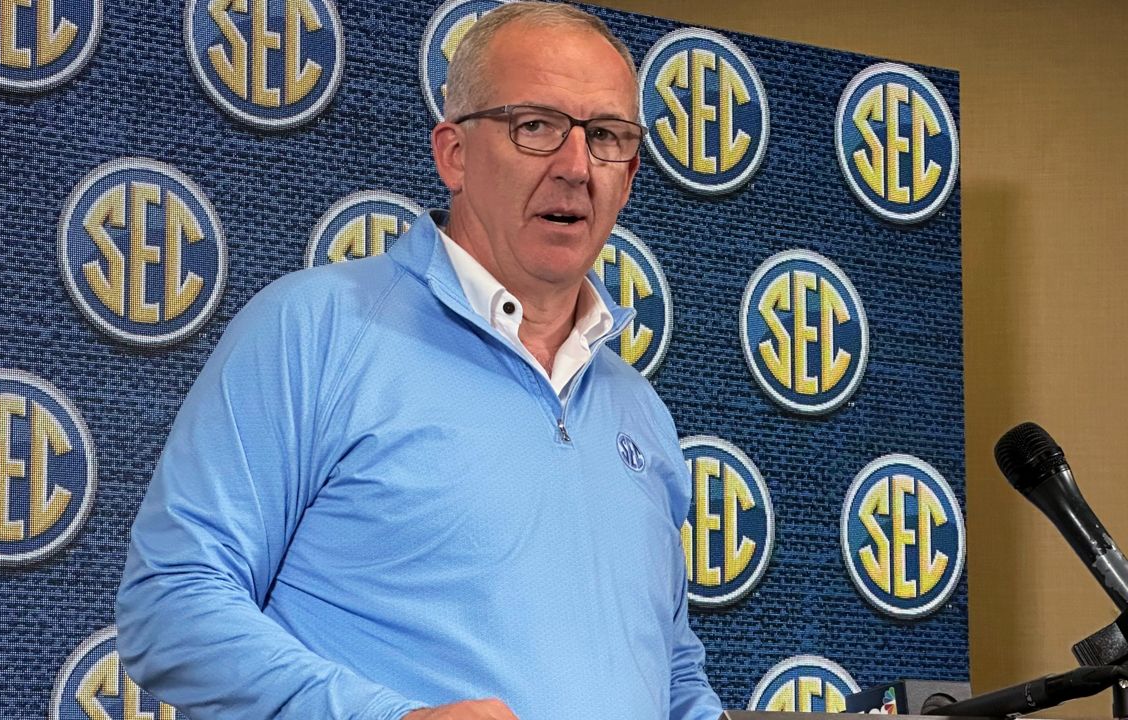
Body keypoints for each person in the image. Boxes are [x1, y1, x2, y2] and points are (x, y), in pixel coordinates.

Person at [116, 3, 724, 719]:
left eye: (607, 137)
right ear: (453, 154)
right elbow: (172, 604)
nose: (575, 166)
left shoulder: (639, 412)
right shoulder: (314, 330)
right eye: (536, 127)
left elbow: (673, 671)